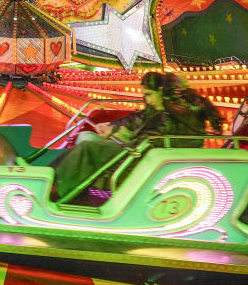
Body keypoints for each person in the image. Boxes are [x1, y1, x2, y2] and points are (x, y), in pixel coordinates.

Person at [50, 73, 184, 199]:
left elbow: (152, 141)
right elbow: (134, 120)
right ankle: (50, 176)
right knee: (85, 137)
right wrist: (112, 126)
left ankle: (57, 189)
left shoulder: (170, 115)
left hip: (136, 155)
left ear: (161, 91)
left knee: (88, 148)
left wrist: (125, 141)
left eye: (149, 95)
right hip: (135, 149)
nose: (147, 100)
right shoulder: (155, 109)